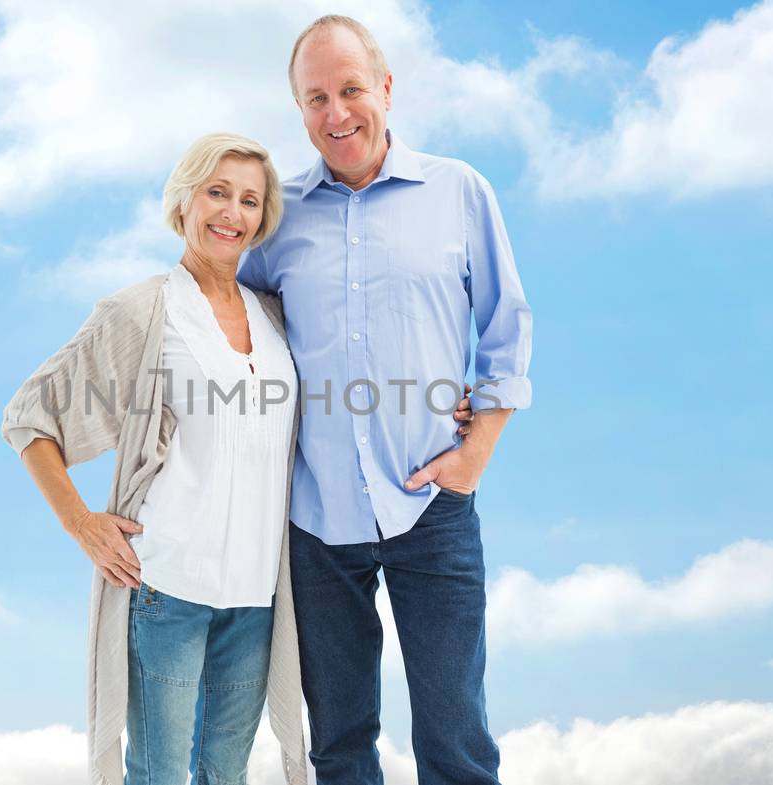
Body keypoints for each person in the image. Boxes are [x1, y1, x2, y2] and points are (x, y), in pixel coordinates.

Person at [237, 15, 534, 785]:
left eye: (351, 90)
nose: (337, 115)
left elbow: (507, 322)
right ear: (298, 109)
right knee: (339, 743)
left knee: (456, 737)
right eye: (315, 98)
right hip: (316, 517)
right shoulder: (279, 218)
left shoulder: (459, 190)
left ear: (387, 89)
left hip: (432, 503)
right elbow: (232, 329)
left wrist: (477, 450)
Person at [2, 133, 308, 785]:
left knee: (225, 774)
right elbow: (29, 416)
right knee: (160, 774)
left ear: (264, 216)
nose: (232, 212)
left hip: (256, 597)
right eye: (217, 192)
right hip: (168, 587)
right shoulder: (142, 311)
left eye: (249, 200)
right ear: (185, 201)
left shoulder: (277, 317)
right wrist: (81, 522)